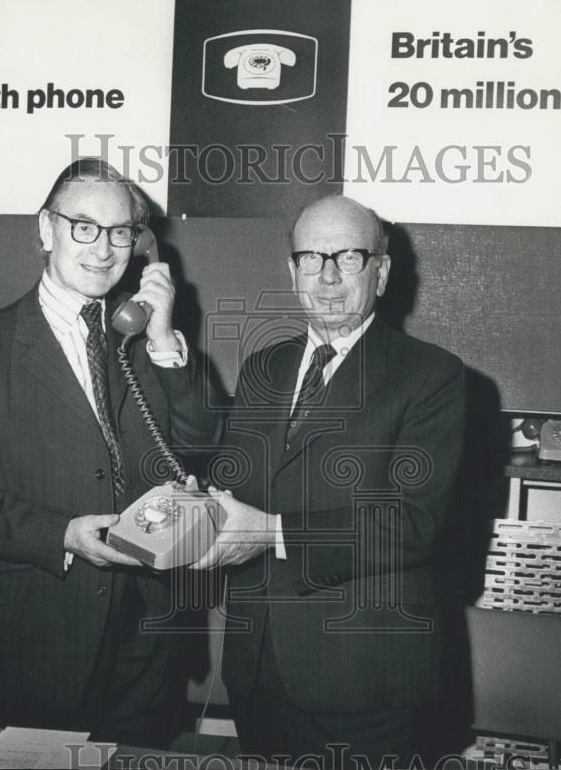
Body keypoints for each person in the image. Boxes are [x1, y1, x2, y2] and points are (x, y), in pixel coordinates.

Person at [0, 158, 219, 744]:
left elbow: (202, 447)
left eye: (121, 232)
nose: (104, 249)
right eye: (84, 226)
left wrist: (163, 340)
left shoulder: (145, 340)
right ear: (46, 229)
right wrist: (60, 532)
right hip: (42, 634)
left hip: (150, 633)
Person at [193, 195, 468, 768]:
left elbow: (409, 526)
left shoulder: (432, 375)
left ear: (382, 272)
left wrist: (268, 531)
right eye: (312, 258)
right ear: (292, 272)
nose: (328, 277)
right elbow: (233, 482)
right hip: (258, 667)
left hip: (364, 678)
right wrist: (193, 519)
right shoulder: (263, 367)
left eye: (348, 257)